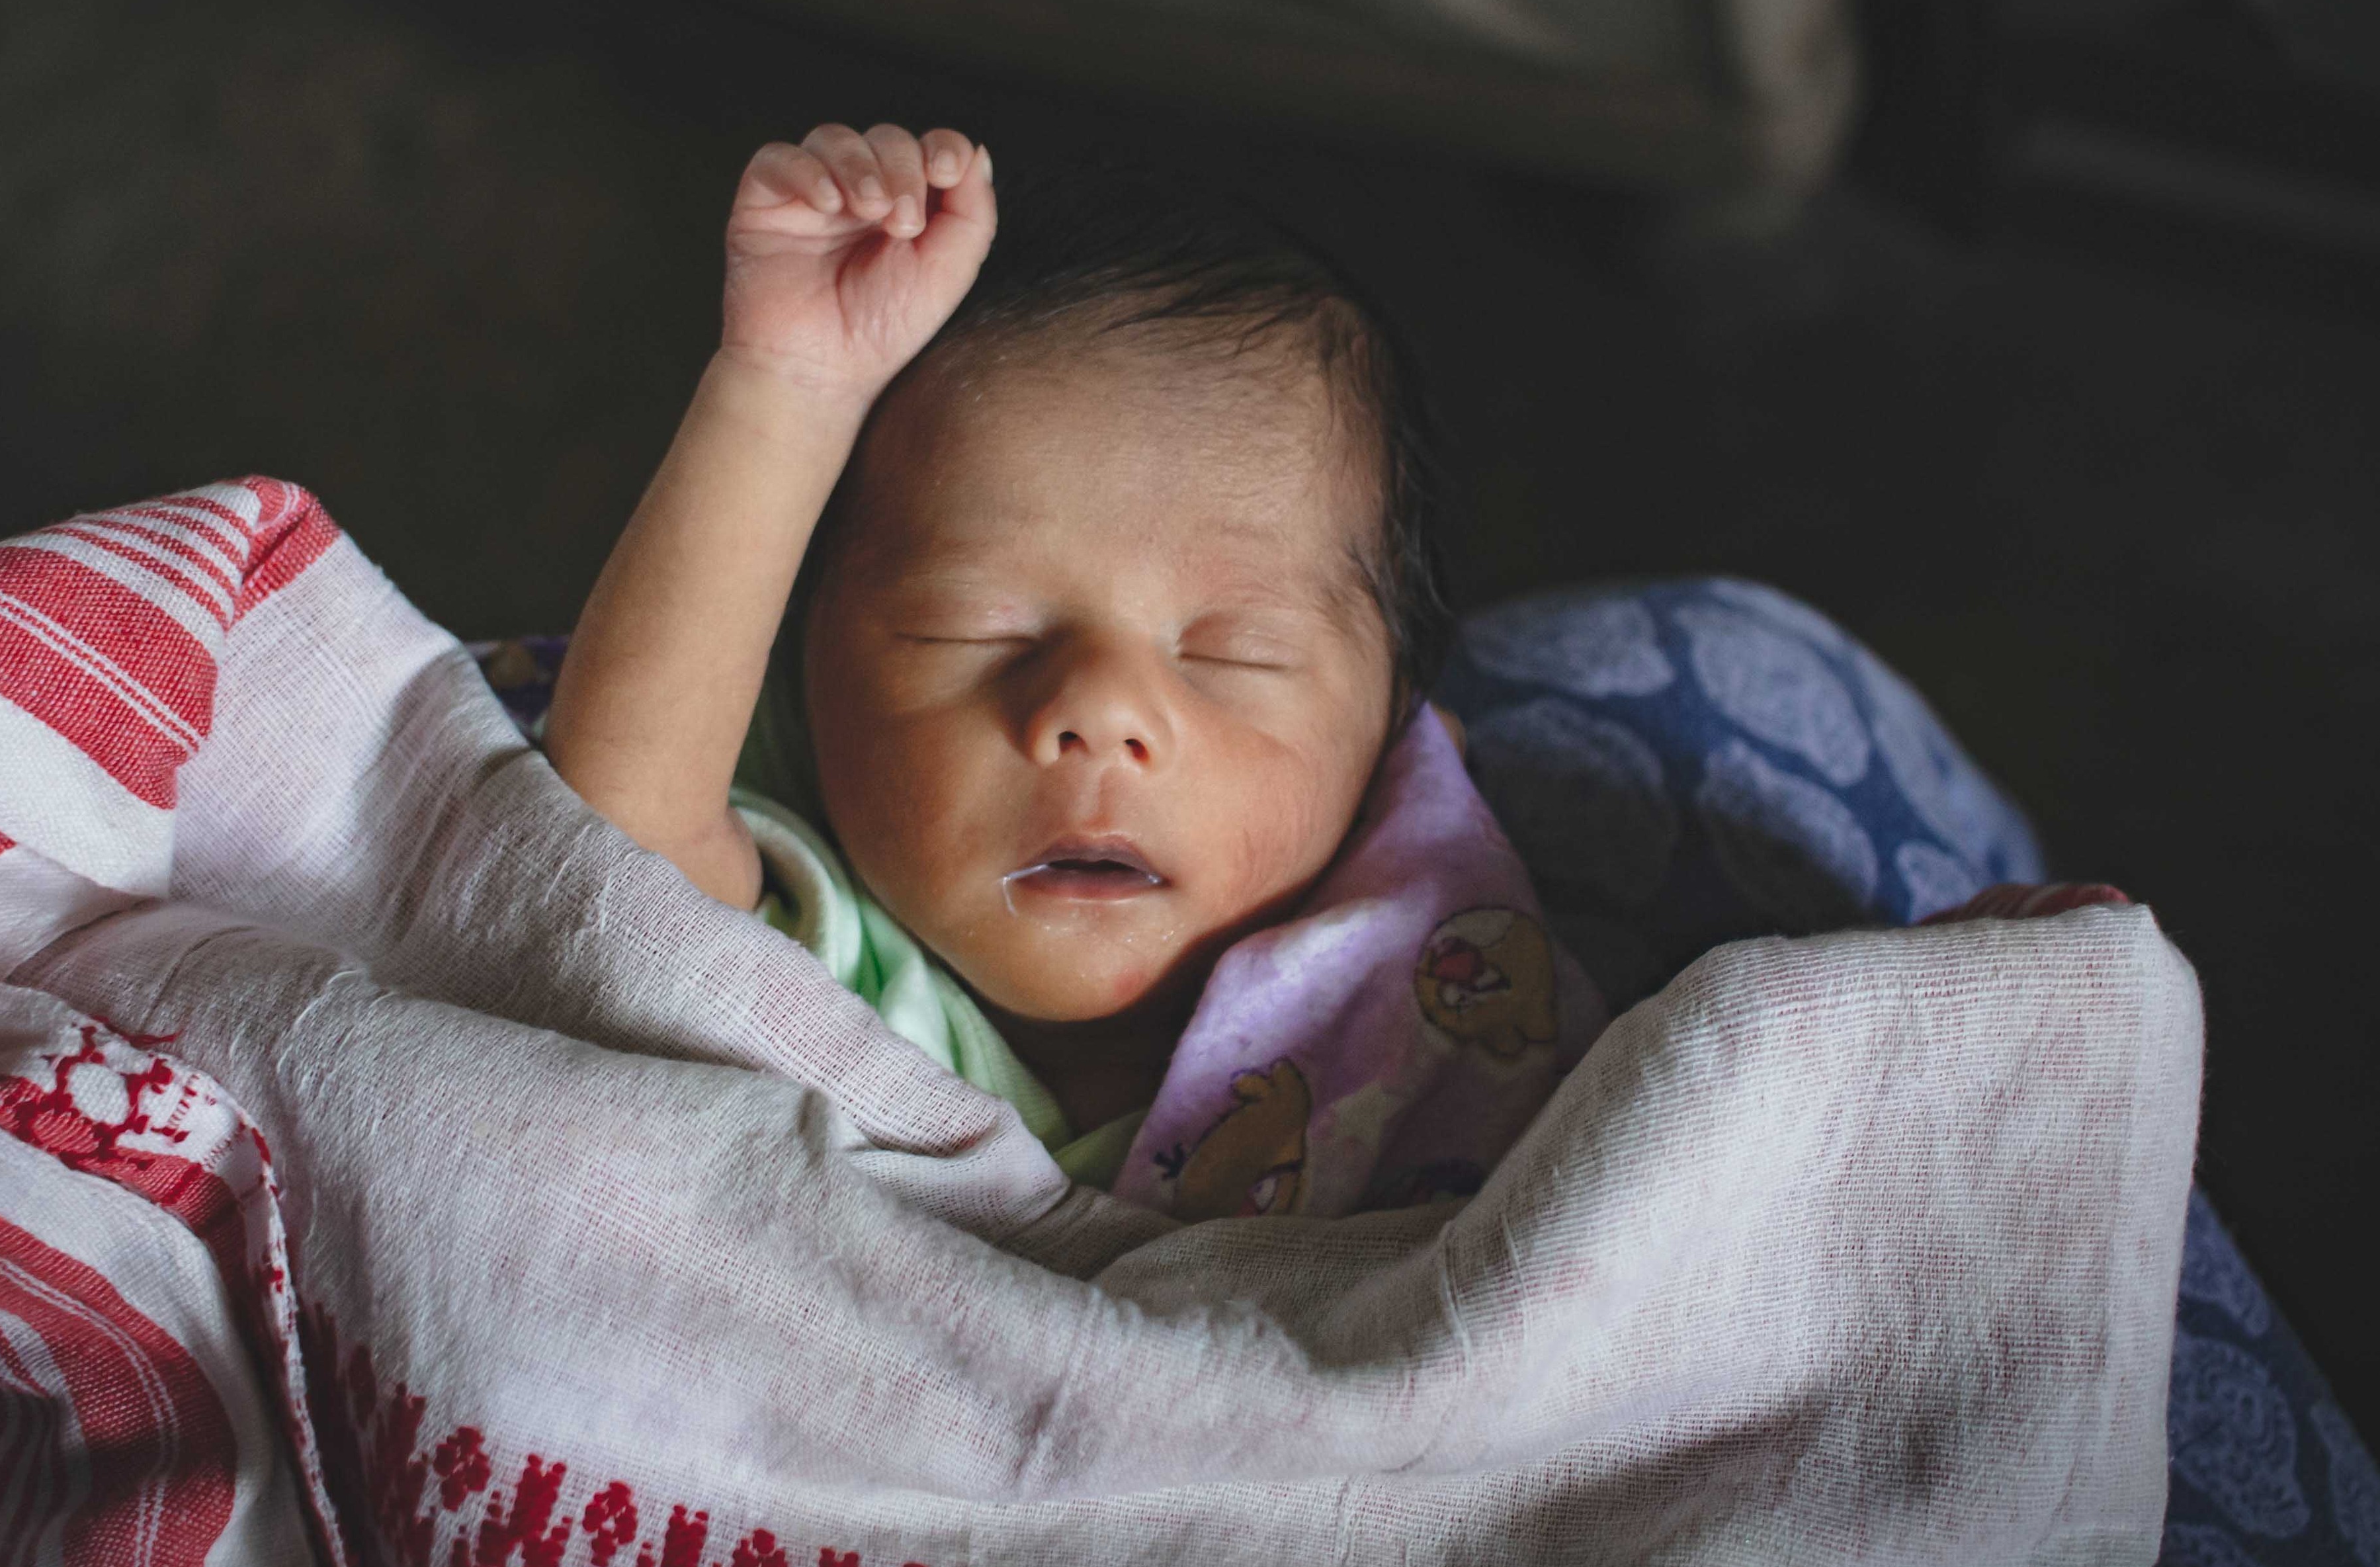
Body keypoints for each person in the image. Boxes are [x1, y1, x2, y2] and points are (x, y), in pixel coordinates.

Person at [542, 122, 1598, 1210]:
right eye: (975, 630)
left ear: (1394, 747)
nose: (1099, 709)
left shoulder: (1444, 996)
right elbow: (610, 840)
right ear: (798, 687)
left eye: (1232, 653)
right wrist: (786, 384)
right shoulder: (815, 955)